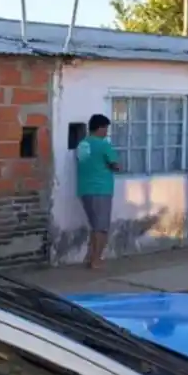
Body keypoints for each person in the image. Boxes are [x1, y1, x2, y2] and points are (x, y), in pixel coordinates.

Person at [76, 114, 120, 269]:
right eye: (106, 128)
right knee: (101, 228)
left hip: (85, 189)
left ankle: (90, 257)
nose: (106, 131)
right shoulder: (103, 145)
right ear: (100, 128)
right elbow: (116, 165)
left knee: (95, 225)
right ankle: (96, 260)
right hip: (101, 189)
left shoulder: (82, 144)